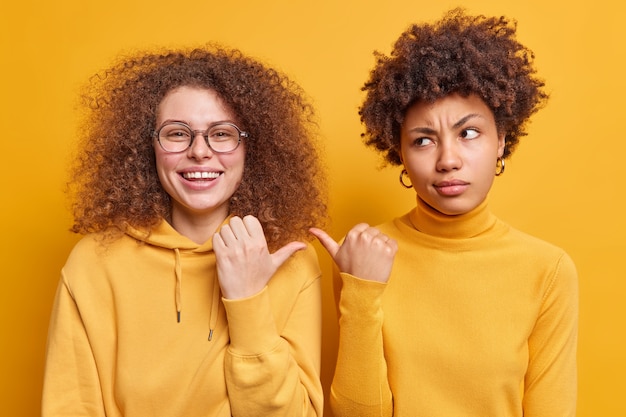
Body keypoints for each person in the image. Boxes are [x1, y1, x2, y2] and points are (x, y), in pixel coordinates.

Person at [311, 8, 578, 417]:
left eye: (468, 133)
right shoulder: (364, 255)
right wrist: (361, 290)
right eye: (423, 140)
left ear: (501, 140)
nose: (448, 160)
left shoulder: (548, 270)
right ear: (399, 152)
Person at [43, 45, 327, 417]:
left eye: (222, 134)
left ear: (250, 148)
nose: (200, 152)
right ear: (149, 146)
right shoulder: (94, 263)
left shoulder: (291, 261)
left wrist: (247, 298)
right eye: (177, 133)